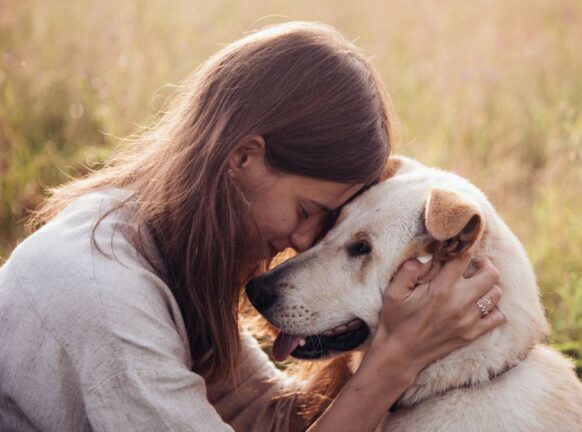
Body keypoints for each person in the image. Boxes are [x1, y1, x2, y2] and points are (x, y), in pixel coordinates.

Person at [0, 22, 503, 431]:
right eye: (308, 212)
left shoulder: (165, 242)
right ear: (243, 155)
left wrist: (395, 322)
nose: (305, 240)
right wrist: (396, 359)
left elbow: (269, 418)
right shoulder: (106, 298)